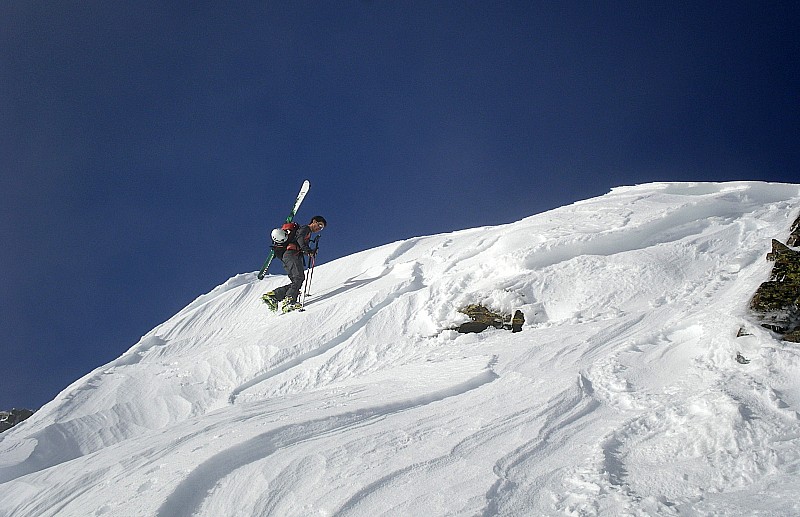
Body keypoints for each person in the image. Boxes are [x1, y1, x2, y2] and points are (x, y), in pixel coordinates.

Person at [262, 215, 326, 313]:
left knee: (296, 281)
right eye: (319, 224)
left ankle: (274, 295)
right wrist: (308, 250)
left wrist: (309, 251)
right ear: (314, 221)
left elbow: (300, 245)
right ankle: (289, 300)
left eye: (321, 228)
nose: (319, 228)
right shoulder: (305, 229)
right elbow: (300, 240)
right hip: (291, 255)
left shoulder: (307, 233)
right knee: (299, 277)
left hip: (288, 257)